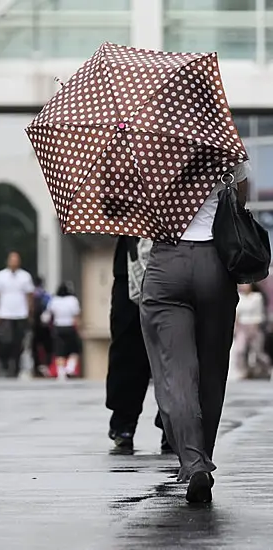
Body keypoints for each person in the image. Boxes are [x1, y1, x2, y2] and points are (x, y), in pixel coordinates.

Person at [141, 161, 251, 504]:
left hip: (167, 263)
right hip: (214, 264)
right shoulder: (222, 142)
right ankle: (203, 452)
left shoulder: (146, 148)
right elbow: (241, 201)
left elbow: (129, 209)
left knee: (175, 371)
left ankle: (194, 461)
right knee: (212, 370)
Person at [105, 236, 170, 453]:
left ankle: (172, 424)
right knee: (127, 350)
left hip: (172, 263)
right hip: (129, 267)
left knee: (173, 351)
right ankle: (124, 422)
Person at [0, 251, 34, 378]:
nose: (14, 262)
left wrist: (30, 312)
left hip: (20, 314)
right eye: (12, 260)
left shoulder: (25, 277)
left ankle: (15, 367)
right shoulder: (0, 276)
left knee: (18, 342)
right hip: (4, 313)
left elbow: (29, 296)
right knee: (4, 341)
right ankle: (3, 364)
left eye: (16, 260)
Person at [42, 282, 81, 380]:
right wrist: (79, 328)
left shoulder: (54, 300)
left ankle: (61, 372)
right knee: (74, 349)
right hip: (70, 327)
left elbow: (47, 316)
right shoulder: (73, 300)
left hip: (58, 327)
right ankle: (70, 368)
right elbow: (76, 315)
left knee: (59, 350)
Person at [231, 283, 269, 380]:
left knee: (257, 351)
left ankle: (264, 369)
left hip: (254, 325)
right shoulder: (239, 297)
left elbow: (260, 313)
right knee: (240, 350)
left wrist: (256, 326)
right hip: (242, 326)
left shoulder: (257, 297)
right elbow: (237, 313)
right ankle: (244, 371)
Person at [30, 275, 53, 377]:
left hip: (34, 325)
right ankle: (47, 366)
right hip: (45, 326)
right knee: (47, 346)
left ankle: (36, 367)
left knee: (34, 347)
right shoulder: (46, 295)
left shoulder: (31, 296)